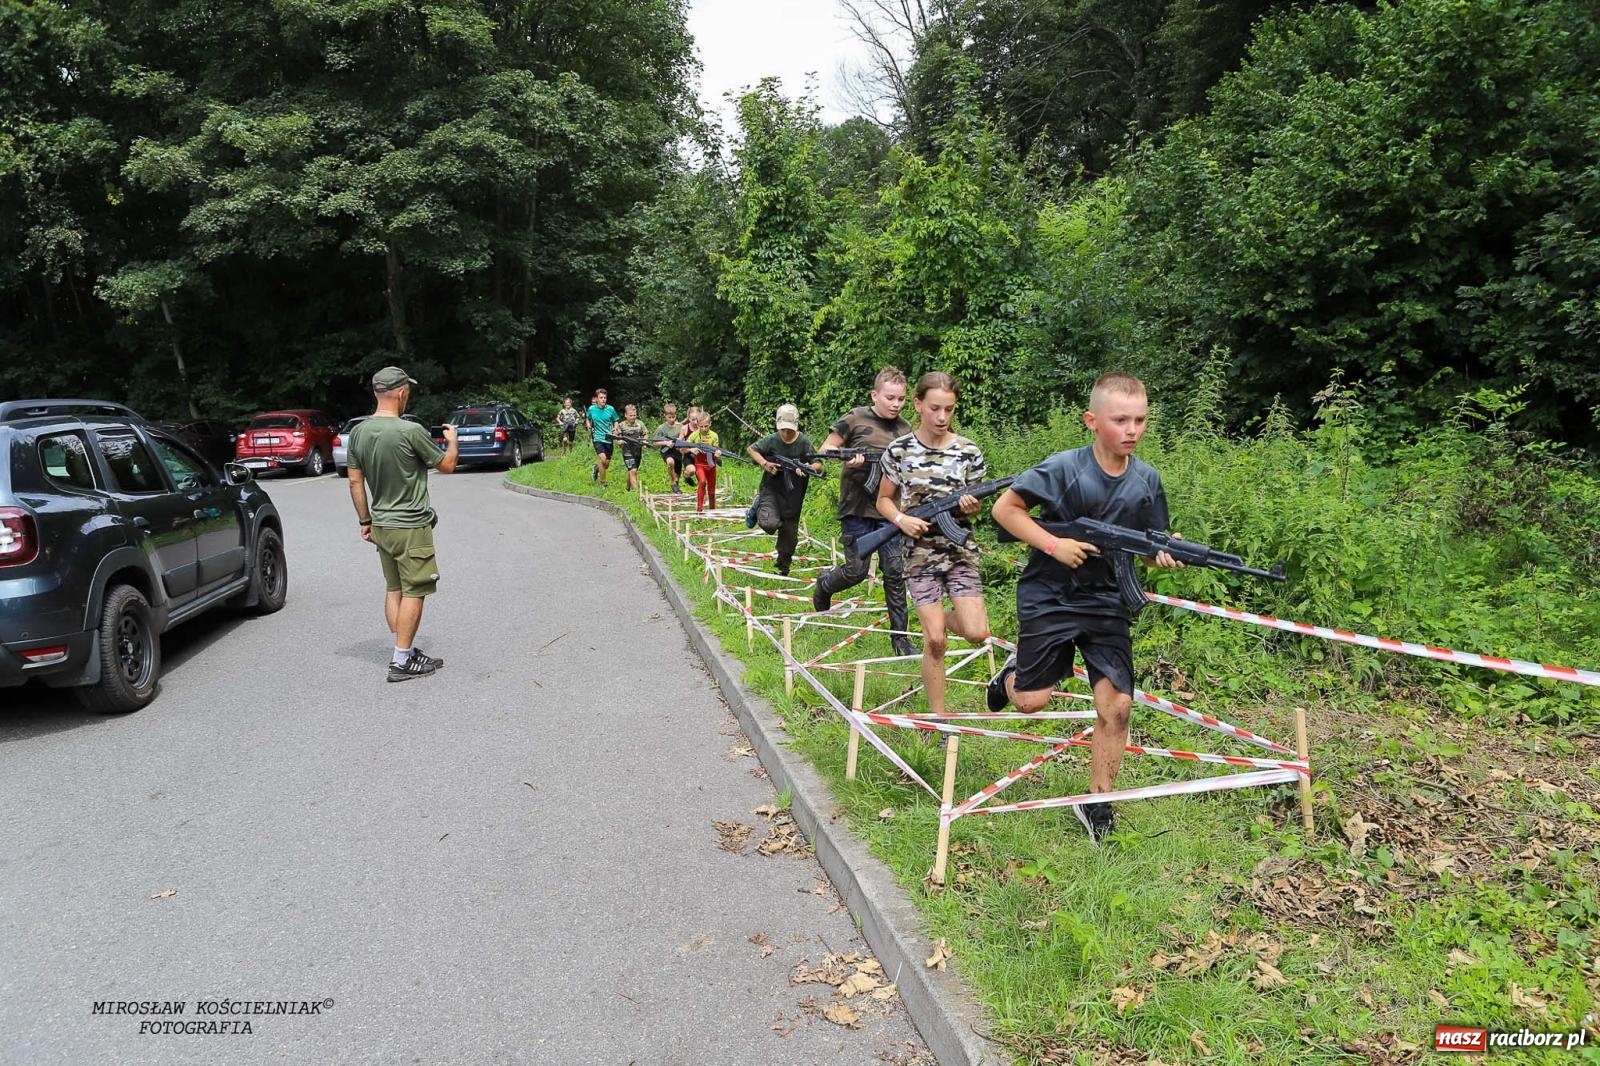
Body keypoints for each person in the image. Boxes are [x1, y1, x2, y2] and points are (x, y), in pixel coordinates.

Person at [986, 372, 1184, 844]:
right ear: (1092, 421)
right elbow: (1004, 511)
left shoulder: (1147, 480)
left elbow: (1150, 541)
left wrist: (1167, 551)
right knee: (1031, 703)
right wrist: (1053, 544)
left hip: (1108, 601)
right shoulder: (1063, 468)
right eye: (1120, 420)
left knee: (1116, 706)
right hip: (1049, 595)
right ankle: (1012, 673)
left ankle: (1097, 805)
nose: (1132, 429)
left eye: (1140, 419)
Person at [876, 373, 991, 717]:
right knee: (936, 641)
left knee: (976, 632)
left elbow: (977, 500)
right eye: (935, 408)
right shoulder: (899, 451)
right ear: (918, 405)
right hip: (919, 554)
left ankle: (935, 619)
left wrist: (973, 506)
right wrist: (901, 520)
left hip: (959, 552)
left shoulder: (968, 451)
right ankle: (939, 718)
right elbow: (883, 500)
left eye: (949, 410)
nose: (942, 417)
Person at [346, 365, 460, 682]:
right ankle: (400, 661)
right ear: (401, 392)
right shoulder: (410, 431)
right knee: (415, 590)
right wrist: (453, 440)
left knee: (394, 588)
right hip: (411, 526)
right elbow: (448, 466)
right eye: (407, 390)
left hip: (382, 525)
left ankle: (405, 651)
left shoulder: (358, 432)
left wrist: (365, 520)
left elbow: (355, 483)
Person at [810, 367, 915, 657]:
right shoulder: (855, 418)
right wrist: (851, 462)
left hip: (890, 512)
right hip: (856, 508)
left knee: (895, 572)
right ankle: (825, 585)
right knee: (856, 572)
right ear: (875, 395)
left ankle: (900, 640)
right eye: (890, 398)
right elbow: (826, 448)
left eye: (901, 399)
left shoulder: (906, 429)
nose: (896, 404)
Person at [746, 403, 821, 576]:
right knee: (769, 522)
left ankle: (783, 567)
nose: (786, 433)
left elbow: (819, 464)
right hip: (771, 489)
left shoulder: (803, 443)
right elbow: (752, 449)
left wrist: (808, 468)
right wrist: (765, 463)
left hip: (794, 495)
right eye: (783, 429)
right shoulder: (772, 439)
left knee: (790, 537)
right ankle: (758, 507)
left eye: (789, 429)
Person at [686, 410, 720, 512]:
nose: (704, 429)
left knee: (712, 491)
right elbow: (682, 448)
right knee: (702, 481)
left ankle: (712, 512)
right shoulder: (694, 435)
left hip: (711, 465)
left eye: (706, 426)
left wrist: (717, 455)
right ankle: (699, 510)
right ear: (697, 425)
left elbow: (717, 452)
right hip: (700, 464)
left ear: (710, 424)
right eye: (701, 426)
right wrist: (691, 449)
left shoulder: (714, 436)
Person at [586, 388, 619, 486]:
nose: (603, 400)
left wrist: (615, 428)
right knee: (602, 459)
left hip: (608, 438)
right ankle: (603, 483)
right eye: (601, 398)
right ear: (596, 399)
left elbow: (616, 420)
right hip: (598, 438)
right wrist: (588, 425)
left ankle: (596, 468)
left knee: (606, 465)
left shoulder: (610, 409)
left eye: (605, 398)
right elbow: (588, 419)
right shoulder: (591, 409)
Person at [654, 402, 688, 493]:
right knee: (670, 463)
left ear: (676, 415)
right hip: (667, 450)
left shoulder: (680, 426)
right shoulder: (661, 428)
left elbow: (684, 437)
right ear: (665, 416)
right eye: (669, 417)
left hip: (677, 450)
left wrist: (680, 441)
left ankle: (675, 486)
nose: (672, 419)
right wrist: (666, 442)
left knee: (677, 471)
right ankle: (672, 482)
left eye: (673, 417)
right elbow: (655, 442)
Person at [615, 403, 648, 493]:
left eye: (634, 415)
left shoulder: (640, 424)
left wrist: (644, 441)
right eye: (630, 415)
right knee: (633, 470)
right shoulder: (621, 425)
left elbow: (645, 433)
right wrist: (619, 441)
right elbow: (615, 435)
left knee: (633, 470)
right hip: (627, 451)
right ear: (626, 415)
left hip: (638, 450)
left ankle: (627, 488)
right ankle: (637, 494)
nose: (633, 417)